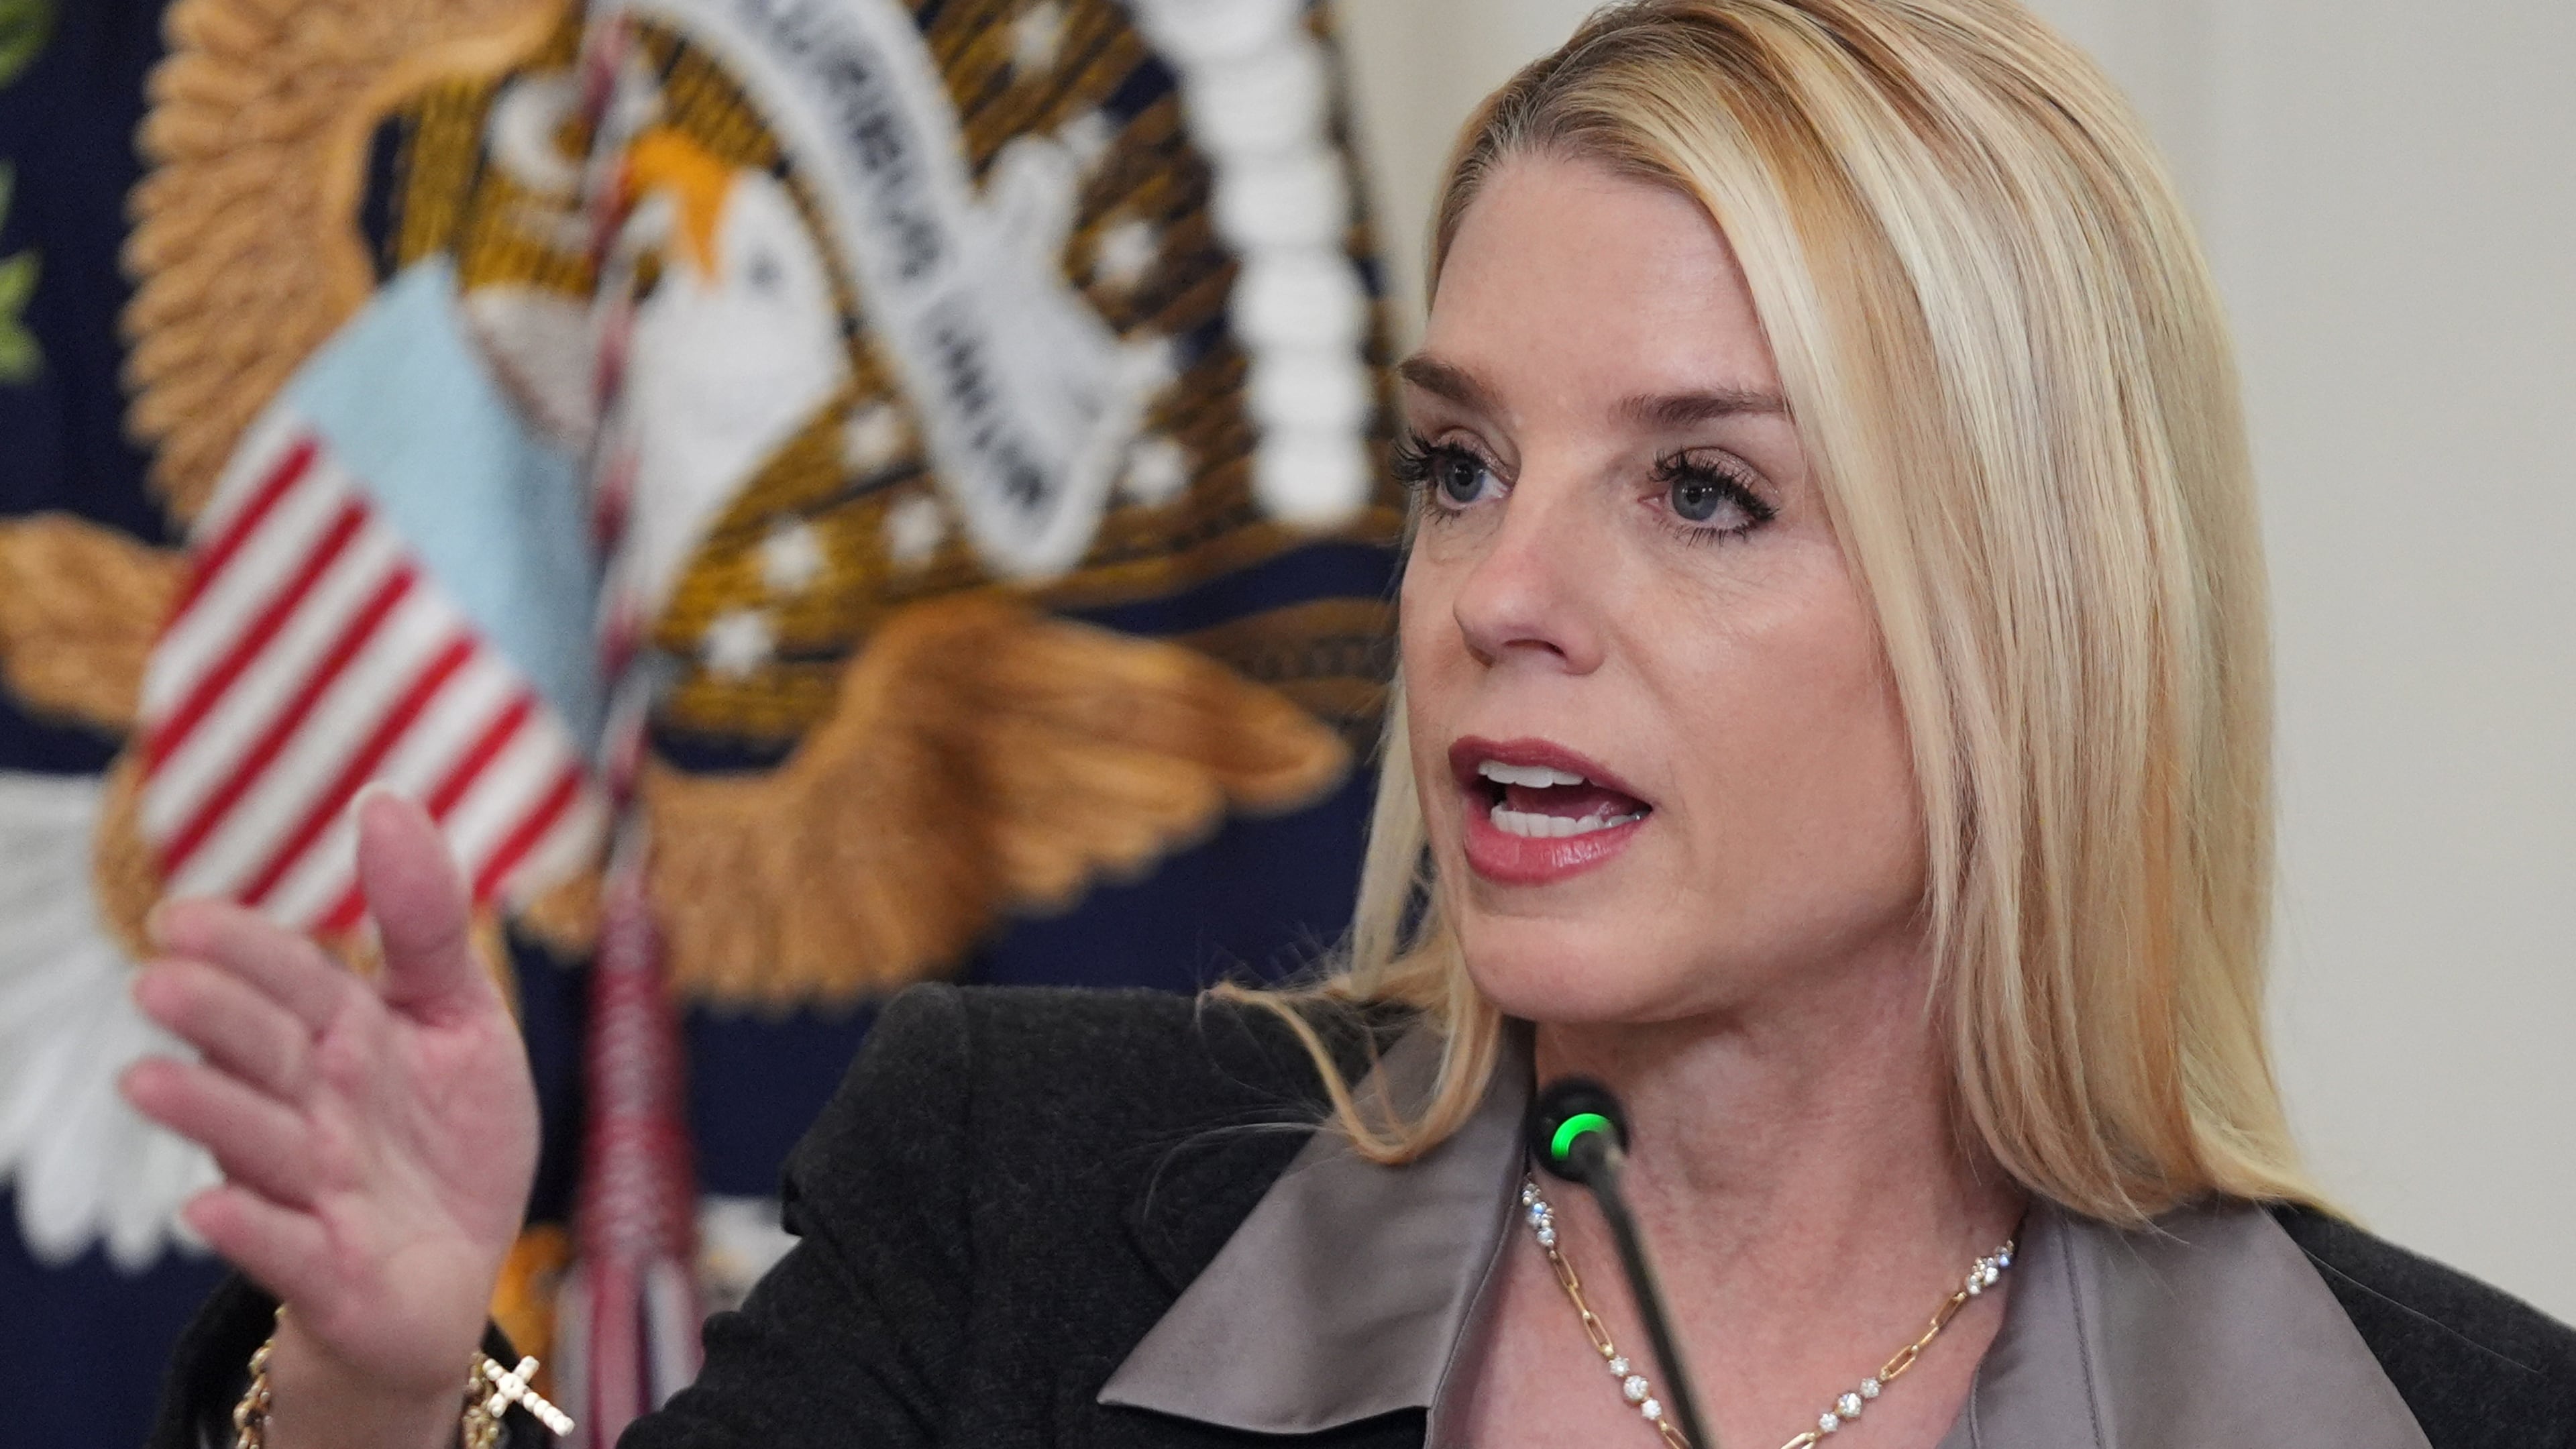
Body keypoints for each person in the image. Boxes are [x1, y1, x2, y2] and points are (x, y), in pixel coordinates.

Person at [125, 2, 2576, 1446]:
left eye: (1702, 491)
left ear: (2036, 625)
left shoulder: (2463, 1420)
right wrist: (377, 1393)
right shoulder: (1025, 1203)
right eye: (1460, 465)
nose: (1498, 596)